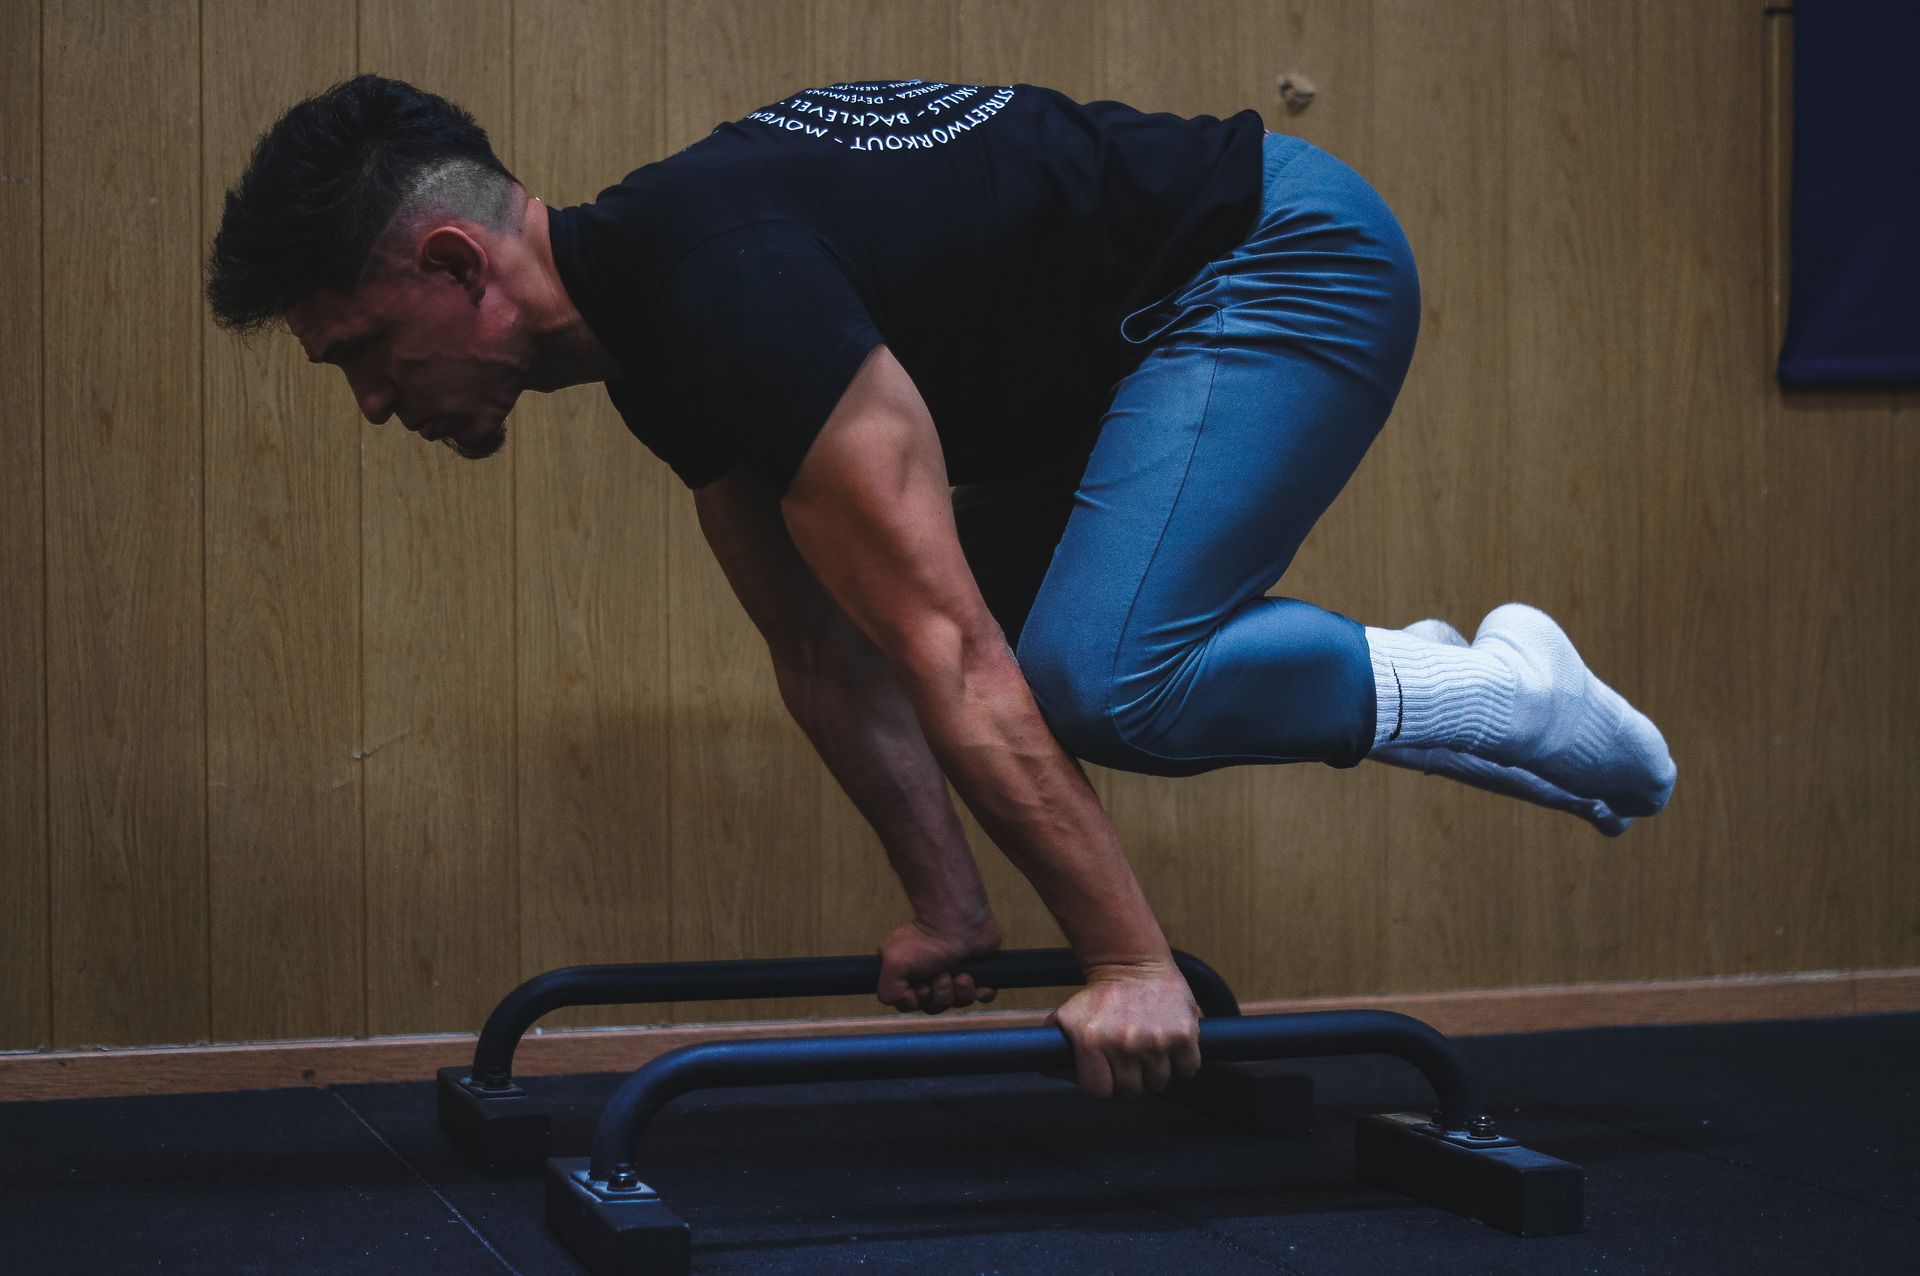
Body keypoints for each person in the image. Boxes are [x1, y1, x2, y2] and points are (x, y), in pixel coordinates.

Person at [206, 75, 1677, 1100]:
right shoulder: (661, 342)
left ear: (455, 262)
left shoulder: (724, 283)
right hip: (1113, 364)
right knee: (1028, 654)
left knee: (1102, 679)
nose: (374, 405)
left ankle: (1501, 687)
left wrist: (1130, 963)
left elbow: (949, 651)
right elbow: (822, 647)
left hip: (1276, 253)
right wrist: (950, 904)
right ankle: (1470, 689)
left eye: (365, 353)